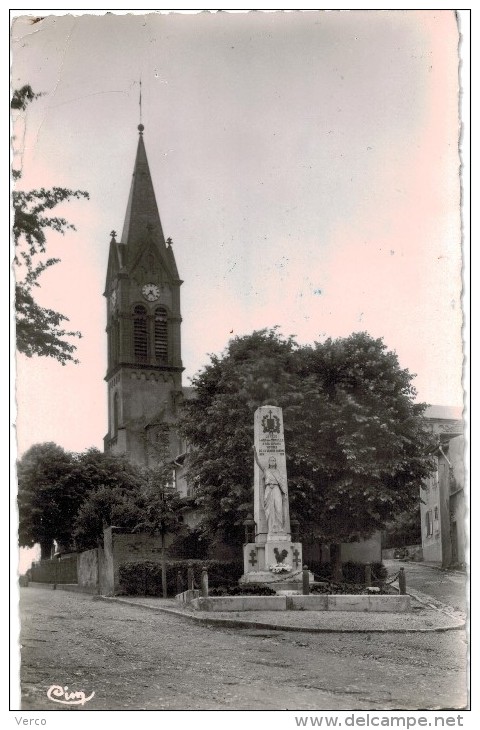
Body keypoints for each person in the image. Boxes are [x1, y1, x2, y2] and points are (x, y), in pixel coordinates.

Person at [254, 449, 287, 535]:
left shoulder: (278, 471)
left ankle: (280, 528)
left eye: (274, 460)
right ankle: (271, 529)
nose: (272, 461)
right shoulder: (266, 470)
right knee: (269, 509)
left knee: (278, 508)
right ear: (269, 462)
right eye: (271, 460)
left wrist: (285, 493)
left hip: (276, 489)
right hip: (268, 489)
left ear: (275, 462)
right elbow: (257, 462)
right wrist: (255, 451)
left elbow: (282, 483)